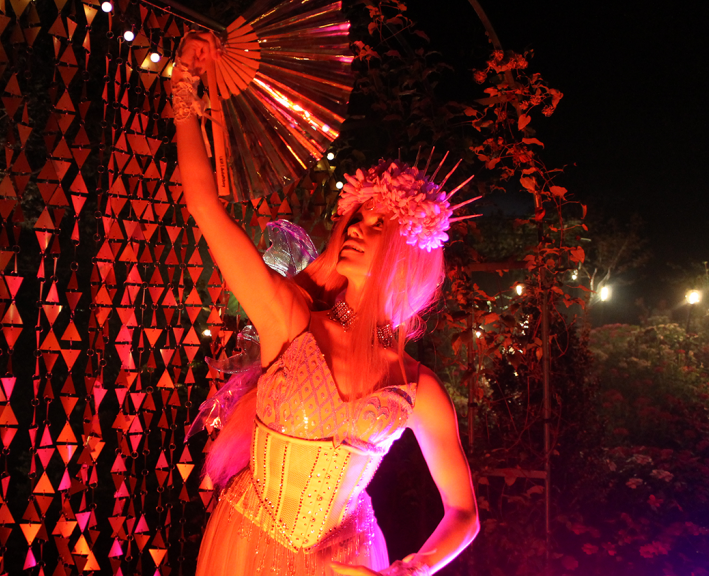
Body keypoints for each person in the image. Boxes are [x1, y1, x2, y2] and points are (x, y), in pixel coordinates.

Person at [172, 33, 479, 576]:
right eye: (357, 216)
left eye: (379, 222)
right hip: (248, 547)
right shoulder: (289, 320)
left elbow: (463, 513)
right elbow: (203, 203)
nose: (358, 228)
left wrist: (418, 567)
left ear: (410, 248)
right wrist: (183, 88)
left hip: (350, 557)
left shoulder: (418, 387)